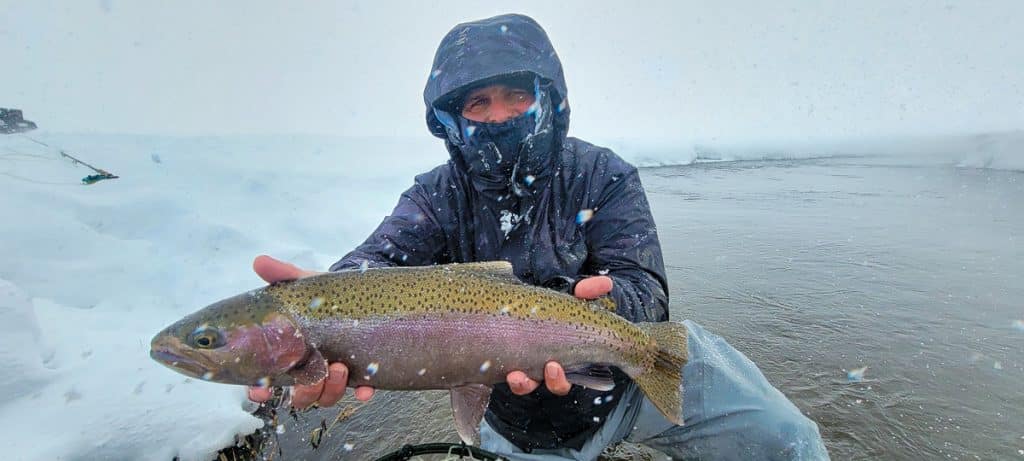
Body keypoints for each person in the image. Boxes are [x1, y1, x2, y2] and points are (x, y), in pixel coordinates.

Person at [248, 13, 829, 460]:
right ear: (452, 120)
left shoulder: (603, 175)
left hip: (630, 369)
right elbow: (376, 264)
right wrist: (329, 302)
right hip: (518, 415)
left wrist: (600, 307)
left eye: (516, 95)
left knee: (788, 441)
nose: (499, 115)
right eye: (478, 102)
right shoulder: (434, 197)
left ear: (549, 100)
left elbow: (647, 290)